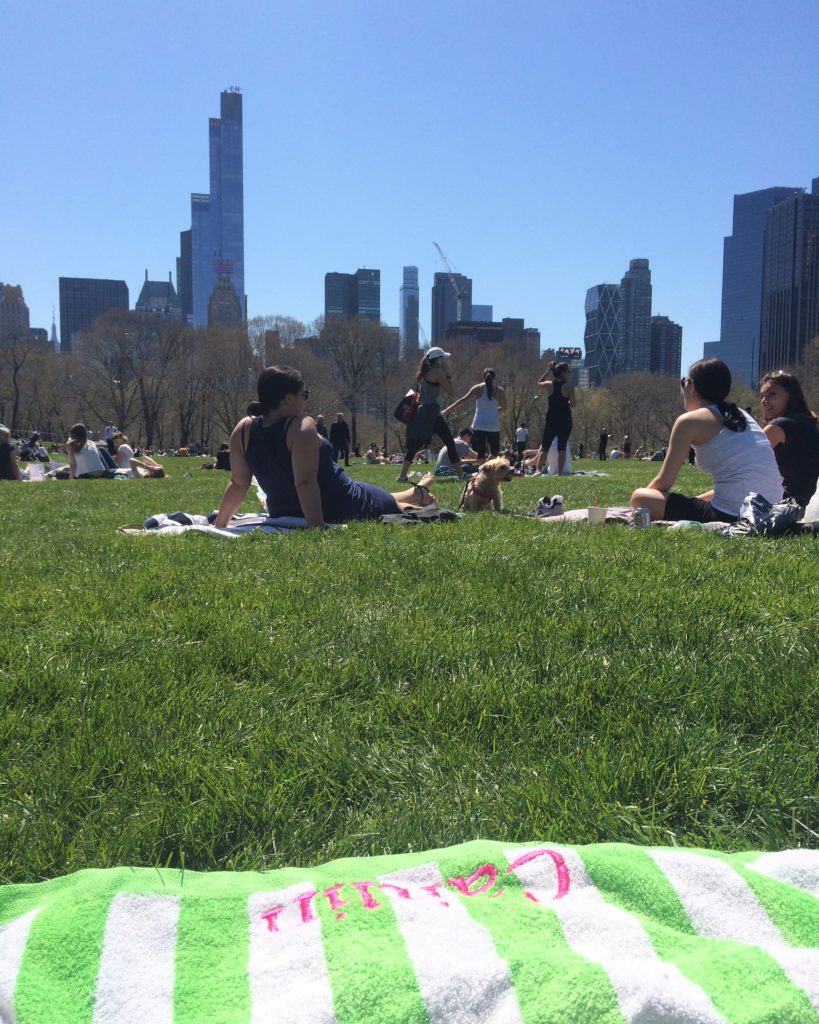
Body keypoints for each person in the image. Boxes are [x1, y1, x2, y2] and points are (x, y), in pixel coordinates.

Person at [214, 365, 437, 529]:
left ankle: (418, 491)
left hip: (286, 509)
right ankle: (420, 495)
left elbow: (238, 483)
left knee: (381, 495)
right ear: (289, 399)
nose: (307, 401)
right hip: (344, 504)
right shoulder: (301, 427)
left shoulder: (243, 429)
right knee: (385, 502)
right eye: (305, 395)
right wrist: (317, 528)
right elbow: (305, 483)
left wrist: (219, 525)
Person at [630, 358, 782, 523]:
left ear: (692, 385)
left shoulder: (689, 421)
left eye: (684, 382)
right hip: (770, 512)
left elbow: (663, 482)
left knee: (640, 498)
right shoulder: (740, 415)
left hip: (734, 515)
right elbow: (745, 479)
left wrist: (642, 503)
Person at [397, 347, 462, 482]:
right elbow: (450, 391)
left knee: (414, 445)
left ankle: (402, 476)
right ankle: (461, 475)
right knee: (450, 442)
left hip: (422, 413)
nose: (445, 361)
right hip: (432, 413)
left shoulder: (423, 372)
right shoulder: (437, 372)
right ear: (438, 360)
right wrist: (448, 374)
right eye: (443, 359)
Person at [759, 370, 819, 507]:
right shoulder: (811, 423)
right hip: (809, 503)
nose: (764, 401)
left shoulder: (779, 426)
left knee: (699, 505)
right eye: (762, 396)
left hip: (786, 505)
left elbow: (742, 468)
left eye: (772, 394)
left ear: (791, 395)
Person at [442, 368, 505, 464]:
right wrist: (494, 411)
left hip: (478, 424)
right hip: (493, 425)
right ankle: (486, 468)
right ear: (494, 378)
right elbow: (504, 407)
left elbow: (463, 400)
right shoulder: (500, 391)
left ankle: (483, 470)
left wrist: (447, 410)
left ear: (483, 377)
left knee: (481, 452)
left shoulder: (478, 388)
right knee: (495, 451)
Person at [533, 362, 575, 475]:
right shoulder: (569, 386)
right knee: (562, 447)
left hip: (551, 418)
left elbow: (539, 382)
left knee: (545, 446)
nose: (570, 374)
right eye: (568, 371)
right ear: (563, 373)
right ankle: (560, 473)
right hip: (565, 419)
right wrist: (567, 401)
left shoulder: (549, 384)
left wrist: (548, 370)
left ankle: (538, 470)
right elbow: (573, 404)